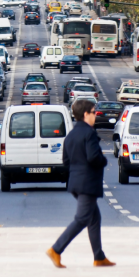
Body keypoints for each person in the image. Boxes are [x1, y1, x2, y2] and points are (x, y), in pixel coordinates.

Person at [46, 99, 115, 268]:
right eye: (93, 112)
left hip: (76, 182)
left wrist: (76, 173)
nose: (95, 115)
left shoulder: (70, 135)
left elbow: (65, 161)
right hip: (88, 183)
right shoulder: (89, 133)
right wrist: (104, 160)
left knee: (94, 218)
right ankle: (56, 249)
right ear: (85, 115)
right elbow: (93, 157)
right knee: (82, 218)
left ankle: (99, 257)